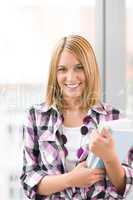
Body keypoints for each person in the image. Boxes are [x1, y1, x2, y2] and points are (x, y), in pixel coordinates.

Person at [20, 35, 133, 200]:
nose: (71, 77)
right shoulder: (36, 117)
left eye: (79, 68)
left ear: (90, 70)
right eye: (62, 69)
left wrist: (110, 158)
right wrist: (71, 179)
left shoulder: (113, 118)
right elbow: (29, 181)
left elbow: (125, 186)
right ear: (54, 73)